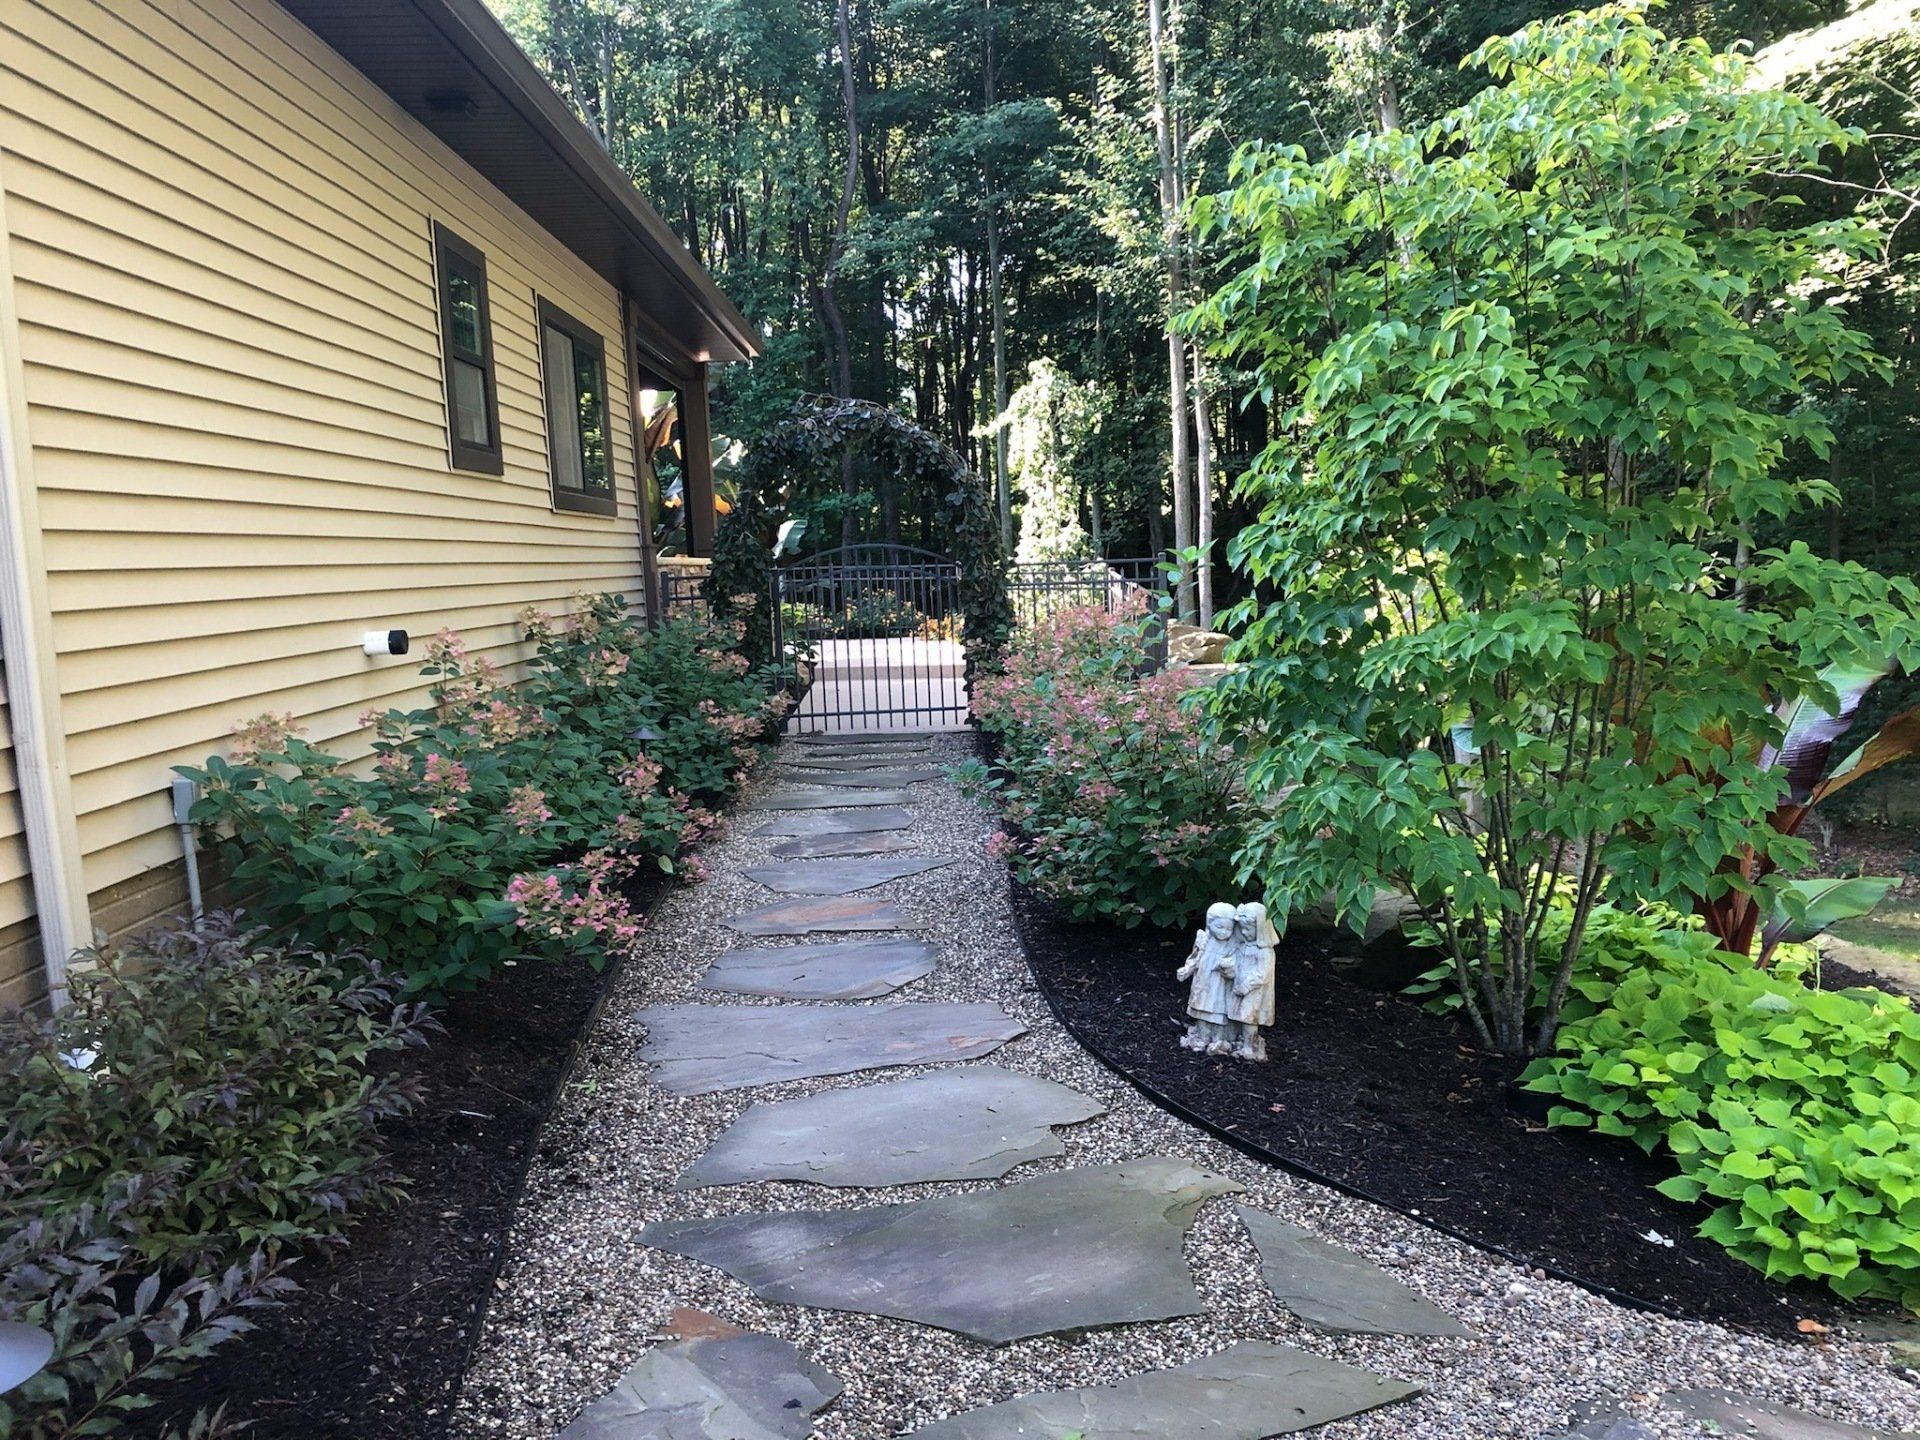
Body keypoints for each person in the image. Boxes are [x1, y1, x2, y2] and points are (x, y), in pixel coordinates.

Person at [1177, 902, 1238, 1054]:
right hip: (1204, 982)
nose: (1224, 932)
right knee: (1201, 1010)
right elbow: (1195, 957)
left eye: (1229, 928)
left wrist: (1230, 968)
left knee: (1218, 1012)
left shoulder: (1233, 945)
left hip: (1220, 985)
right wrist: (1187, 969)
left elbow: (1237, 963)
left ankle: (1219, 1039)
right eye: (1220, 927)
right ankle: (1202, 1036)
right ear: (1210, 923)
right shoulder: (1204, 939)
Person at [1229, 901, 1279, 1061]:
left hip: (1254, 991)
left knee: (1249, 1017)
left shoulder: (1265, 951)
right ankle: (1241, 1040)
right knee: (1240, 1015)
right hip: (1240, 986)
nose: (1244, 932)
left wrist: (1245, 985)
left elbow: (1262, 973)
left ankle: (1249, 1047)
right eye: (1242, 928)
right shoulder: (1244, 946)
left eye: (1248, 928)